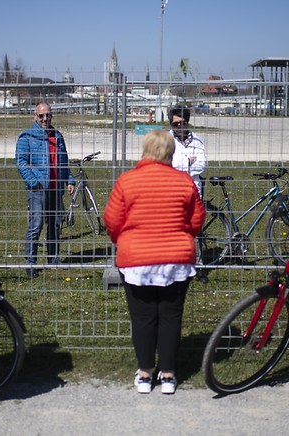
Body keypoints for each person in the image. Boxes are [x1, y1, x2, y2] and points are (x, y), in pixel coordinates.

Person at [103, 129, 205, 395]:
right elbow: (196, 221)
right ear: (171, 152)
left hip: (136, 260)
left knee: (143, 318)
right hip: (176, 259)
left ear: (145, 151)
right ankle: (168, 374)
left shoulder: (127, 181)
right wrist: (182, 236)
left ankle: (146, 373)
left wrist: (124, 239)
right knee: (171, 317)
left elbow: (112, 220)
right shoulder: (185, 182)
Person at [15, 102, 75, 278]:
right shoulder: (26, 137)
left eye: (48, 115)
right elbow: (20, 162)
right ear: (35, 116)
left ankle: (54, 259)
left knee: (55, 225)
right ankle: (31, 262)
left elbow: (64, 161)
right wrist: (34, 182)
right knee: (36, 225)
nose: (45, 118)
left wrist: (69, 179)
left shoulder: (57, 136)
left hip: (56, 189)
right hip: (38, 190)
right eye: (41, 116)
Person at [168, 105, 207, 197]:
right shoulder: (166, 140)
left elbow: (202, 165)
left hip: (193, 188)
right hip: (171, 189)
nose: (179, 126)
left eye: (182, 123)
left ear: (187, 122)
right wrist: (188, 162)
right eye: (175, 124)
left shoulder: (196, 141)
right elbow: (165, 166)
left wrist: (178, 166)